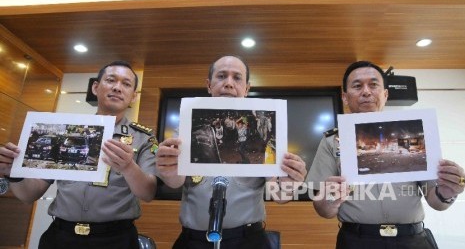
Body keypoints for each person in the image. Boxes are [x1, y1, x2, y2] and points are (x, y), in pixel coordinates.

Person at [0, 60, 158, 249]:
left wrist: (128, 167)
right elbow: (29, 194)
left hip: (116, 239)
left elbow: (148, 193)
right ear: (96, 87)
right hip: (61, 237)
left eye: (126, 84)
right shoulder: (65, 131)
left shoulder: (143, 138)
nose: (117, 88)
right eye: (111, 80)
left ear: (133, 96)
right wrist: (13, 173)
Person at [307, 60, 465, 249]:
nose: (366, 91)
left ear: (385, 94)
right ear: (345, 97)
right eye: (357, 86)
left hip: (412, 240)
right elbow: (323, 210)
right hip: (357, 241)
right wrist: (331, 199)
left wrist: (448, 192)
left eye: (373, 85)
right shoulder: (331, 141)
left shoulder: (417, 135)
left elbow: (436, 202)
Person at [155, 55, 307, 249]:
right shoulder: (188, 127)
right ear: (209, 85)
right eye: (221, 76)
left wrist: (290, 184)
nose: (228, 84)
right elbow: (175, 181)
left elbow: (279, 195)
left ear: (247, 88)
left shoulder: (262, 130)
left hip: (248, 240)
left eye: (237, 78)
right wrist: (167, 170)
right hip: (193, 240)